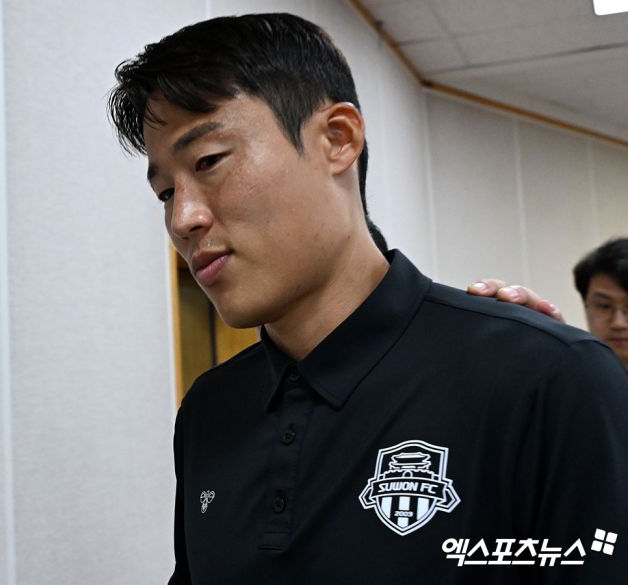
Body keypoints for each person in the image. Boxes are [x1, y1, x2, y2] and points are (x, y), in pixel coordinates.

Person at [108, 13, 628, 584]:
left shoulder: (546, 379)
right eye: (166, 192)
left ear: (337, 139)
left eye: (209, 162)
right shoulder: (209, 410)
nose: (183, 219)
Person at [468, 238, 628, 370]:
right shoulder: (573, 373)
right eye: (604, 305)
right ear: (586, 305)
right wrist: (557, 346)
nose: (618, 323)